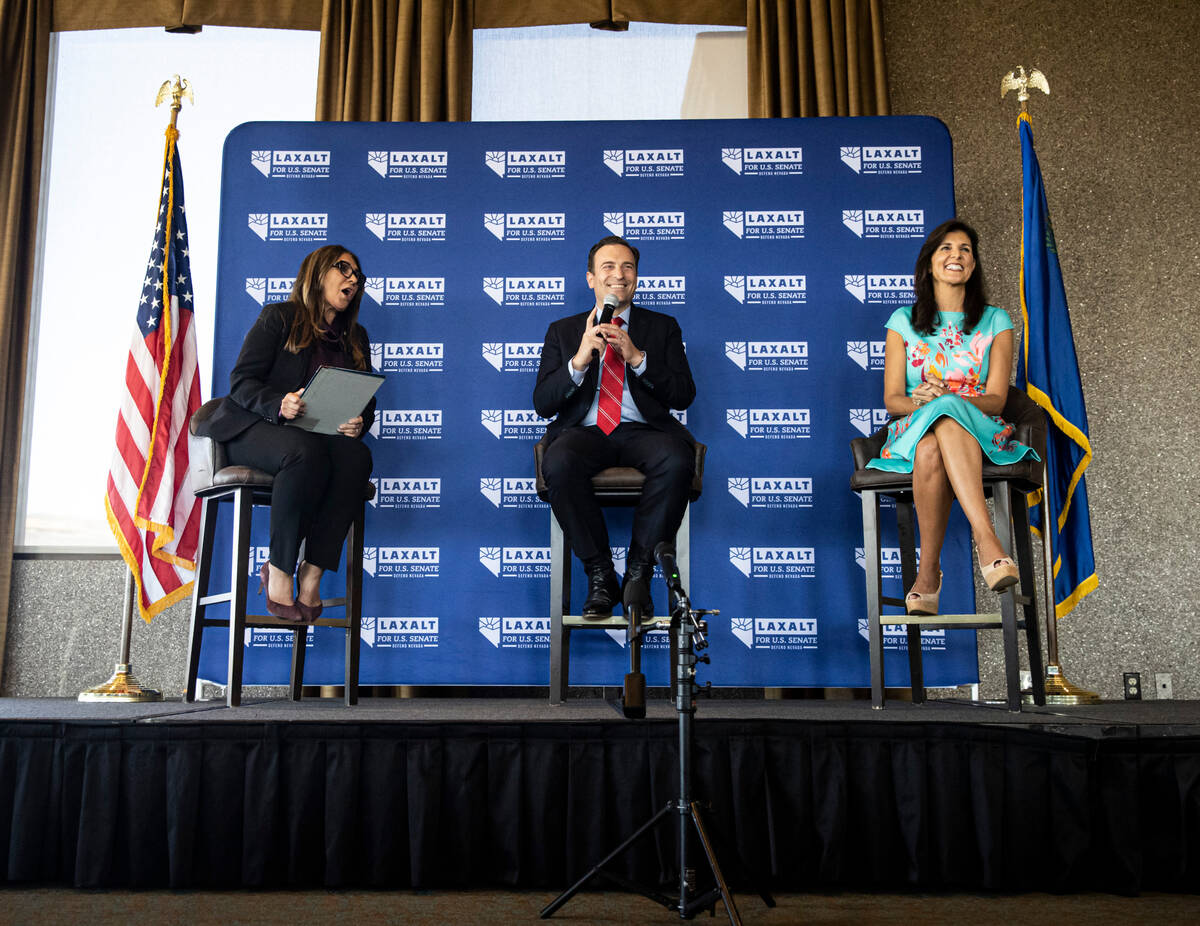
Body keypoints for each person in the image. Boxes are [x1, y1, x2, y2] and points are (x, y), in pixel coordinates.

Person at [867, 218, 1039, 615]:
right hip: (914, 428)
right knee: (931, 435)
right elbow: (894, 401)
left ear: (974, 265)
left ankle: (928, 573)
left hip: (980, 427)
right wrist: (931, 404)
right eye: (946, 248)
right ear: (929, 264)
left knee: (942, 425)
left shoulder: (996, 320)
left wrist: (946, 400)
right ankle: (988, 542)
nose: (956, 255)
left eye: (964, 249)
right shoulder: (902, 321)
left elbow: (996, 400)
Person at [195, 244, 375, 623]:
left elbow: (364, 399)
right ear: (317, 272)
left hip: (317, 437)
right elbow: (242, 382)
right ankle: (280, 568)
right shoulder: (278, 317)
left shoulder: (356, 337)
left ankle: (313, 572)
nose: (352, 279)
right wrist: (279, 402)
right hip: (255, 427)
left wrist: (359, 421)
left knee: (358, 456)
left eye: (358, 276)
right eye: (343, 269)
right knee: (303, 451)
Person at [533, 236, 696, 619]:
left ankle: (638, 573)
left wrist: (637, 358)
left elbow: (684, 395)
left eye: (627, 267)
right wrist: (578, 361)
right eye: (608, 267)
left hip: (644, 431)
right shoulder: (563, 330)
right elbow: (543, 403)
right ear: (591, 278)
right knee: (558, 462)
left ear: (636, 278)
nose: (618, 275)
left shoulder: (663, 327)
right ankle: (600, 574)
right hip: (585, 432)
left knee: (676, 459)